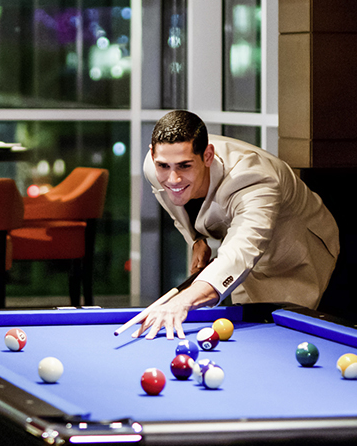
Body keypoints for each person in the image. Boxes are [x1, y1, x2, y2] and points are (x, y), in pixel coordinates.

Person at [134, 110, 339, 338]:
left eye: (184, 166)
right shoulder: (154, 167)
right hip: (240, 248)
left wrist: (181, 302)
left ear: (208, 155)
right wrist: (197, 240)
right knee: (248, 327)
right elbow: (177, 206)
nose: (173, 178)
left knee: (281, 336)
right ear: (153, 155)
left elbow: (239, 254)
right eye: (164, 166)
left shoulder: (254, 179)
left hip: (294, 251)